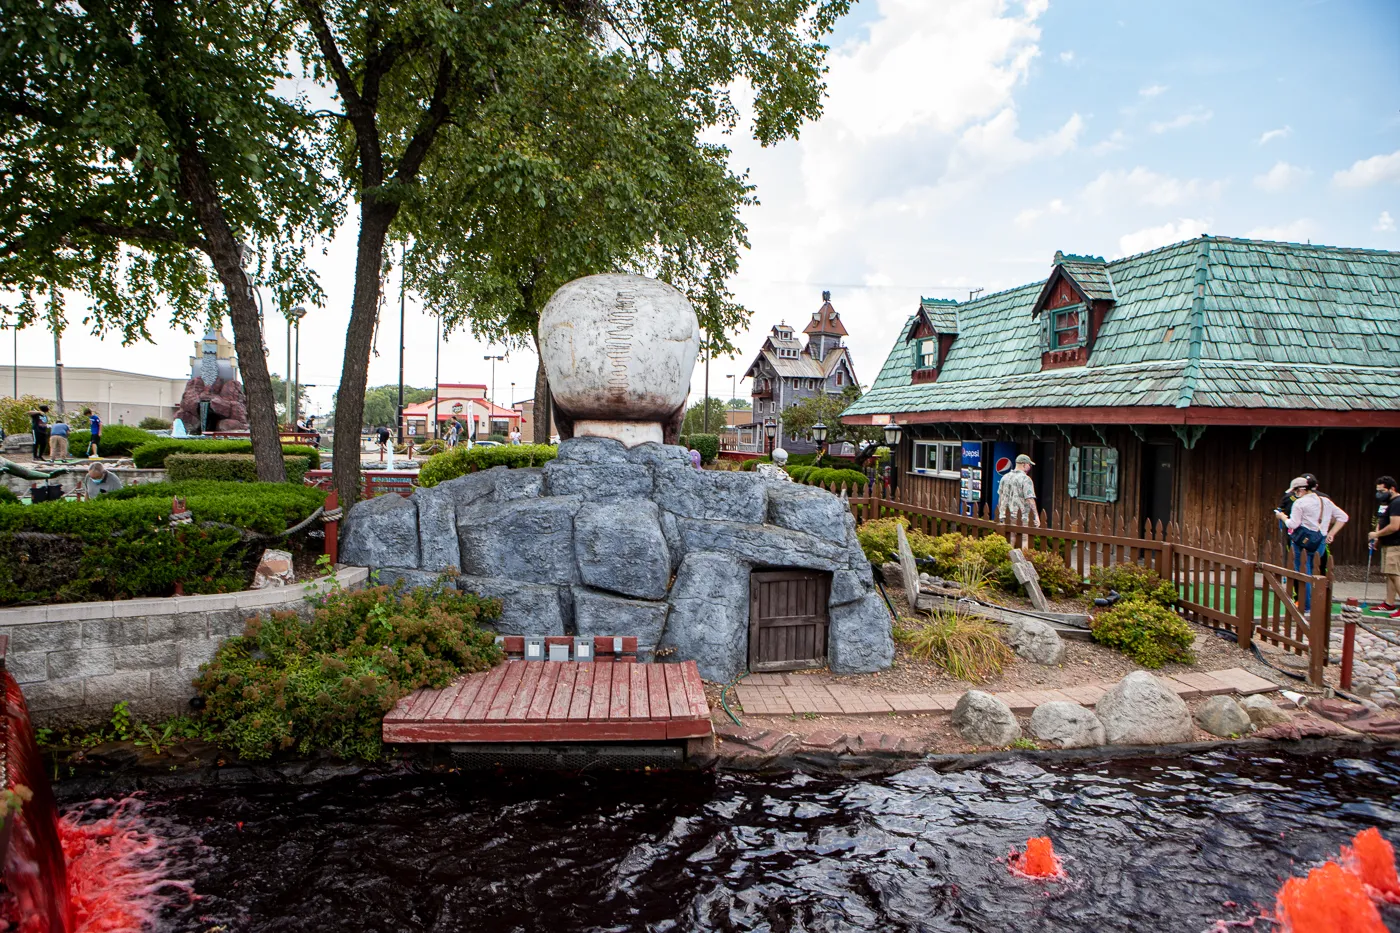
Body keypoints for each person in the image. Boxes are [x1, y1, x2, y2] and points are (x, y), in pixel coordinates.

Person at [1274, 476, 1347, 605]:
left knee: (1303, 571)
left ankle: (1305, 605)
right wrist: (1331, 533)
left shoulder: (1300, 503)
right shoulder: (1325, 501)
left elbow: (1293, 524)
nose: (1295, 495)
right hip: (1320, 540)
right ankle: (1319, 602)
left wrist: (1283, 517)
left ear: (1301, 490)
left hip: (1303, 542)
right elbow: (1343, 517)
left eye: (1295, 492)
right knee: (1317, 571)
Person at [1368, 476, 1400, 618]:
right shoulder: (1386, 503)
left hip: (1396, 544)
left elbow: (1394, 526)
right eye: (1378, 491)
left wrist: (1377, 533)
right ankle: (1389, 603)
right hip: (1387, 543)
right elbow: (1381, 519)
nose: (1379, 494)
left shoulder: (1397, 503)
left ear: (1392, 489)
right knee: (1389, 574)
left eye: (1382, 490)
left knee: (1395, 573)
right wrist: (1377, 537)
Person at [997, 453, 1040, 546]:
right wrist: (1036, 516)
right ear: (1024, 464)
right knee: (1024, 539)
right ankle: (1023, 559)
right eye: (1029, 465)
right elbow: (1030, 499)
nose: (1030, 467)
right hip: (1020, 516)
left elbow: (1000, 497)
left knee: (1009, 539)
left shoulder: (1004, 477)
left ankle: (1008, 558)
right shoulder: (1026, 479)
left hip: (1005, 515)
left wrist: (1001, 511)